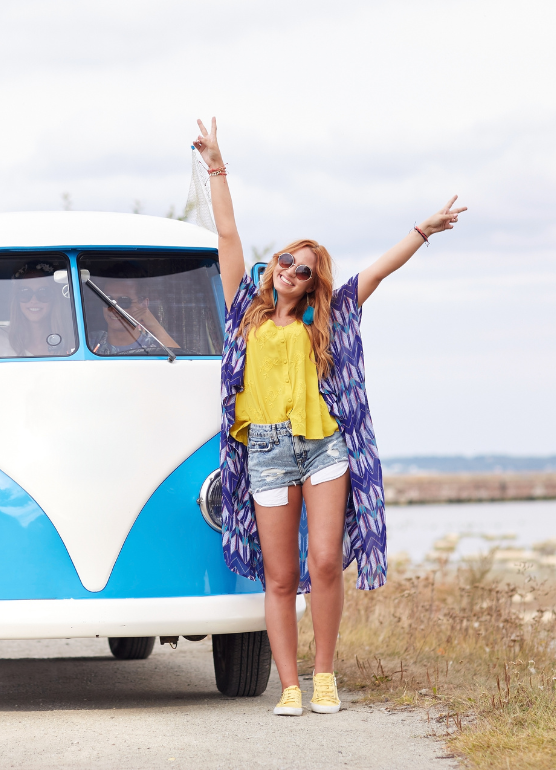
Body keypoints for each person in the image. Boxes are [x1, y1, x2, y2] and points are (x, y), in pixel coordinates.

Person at [193, 117, 465, 717]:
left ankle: (324, 678)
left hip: (324, 447)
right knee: (279, 575)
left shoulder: (332, 316)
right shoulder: (245, 308)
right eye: (286, 259)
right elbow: (229, 233)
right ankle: (288, 687)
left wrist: (423, 229)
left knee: (323, 562)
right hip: (264, 449)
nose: (290, 270)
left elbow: (379, 271)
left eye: (304, 268)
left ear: (315, 283)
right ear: (274, 264)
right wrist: (217, 164)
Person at [0, 261, 75, 357]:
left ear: (54, 298)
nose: (34, 300)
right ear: (17, 300)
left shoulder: (74, 341)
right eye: (25, 293)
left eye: (44, 292)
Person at [86, 274, 179, 354]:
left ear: (143, 304)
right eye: (108, 300)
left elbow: (181, 365)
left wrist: (157, 328)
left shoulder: (157, 346)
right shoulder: (89, 342)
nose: (113, 308)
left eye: (124, 301)